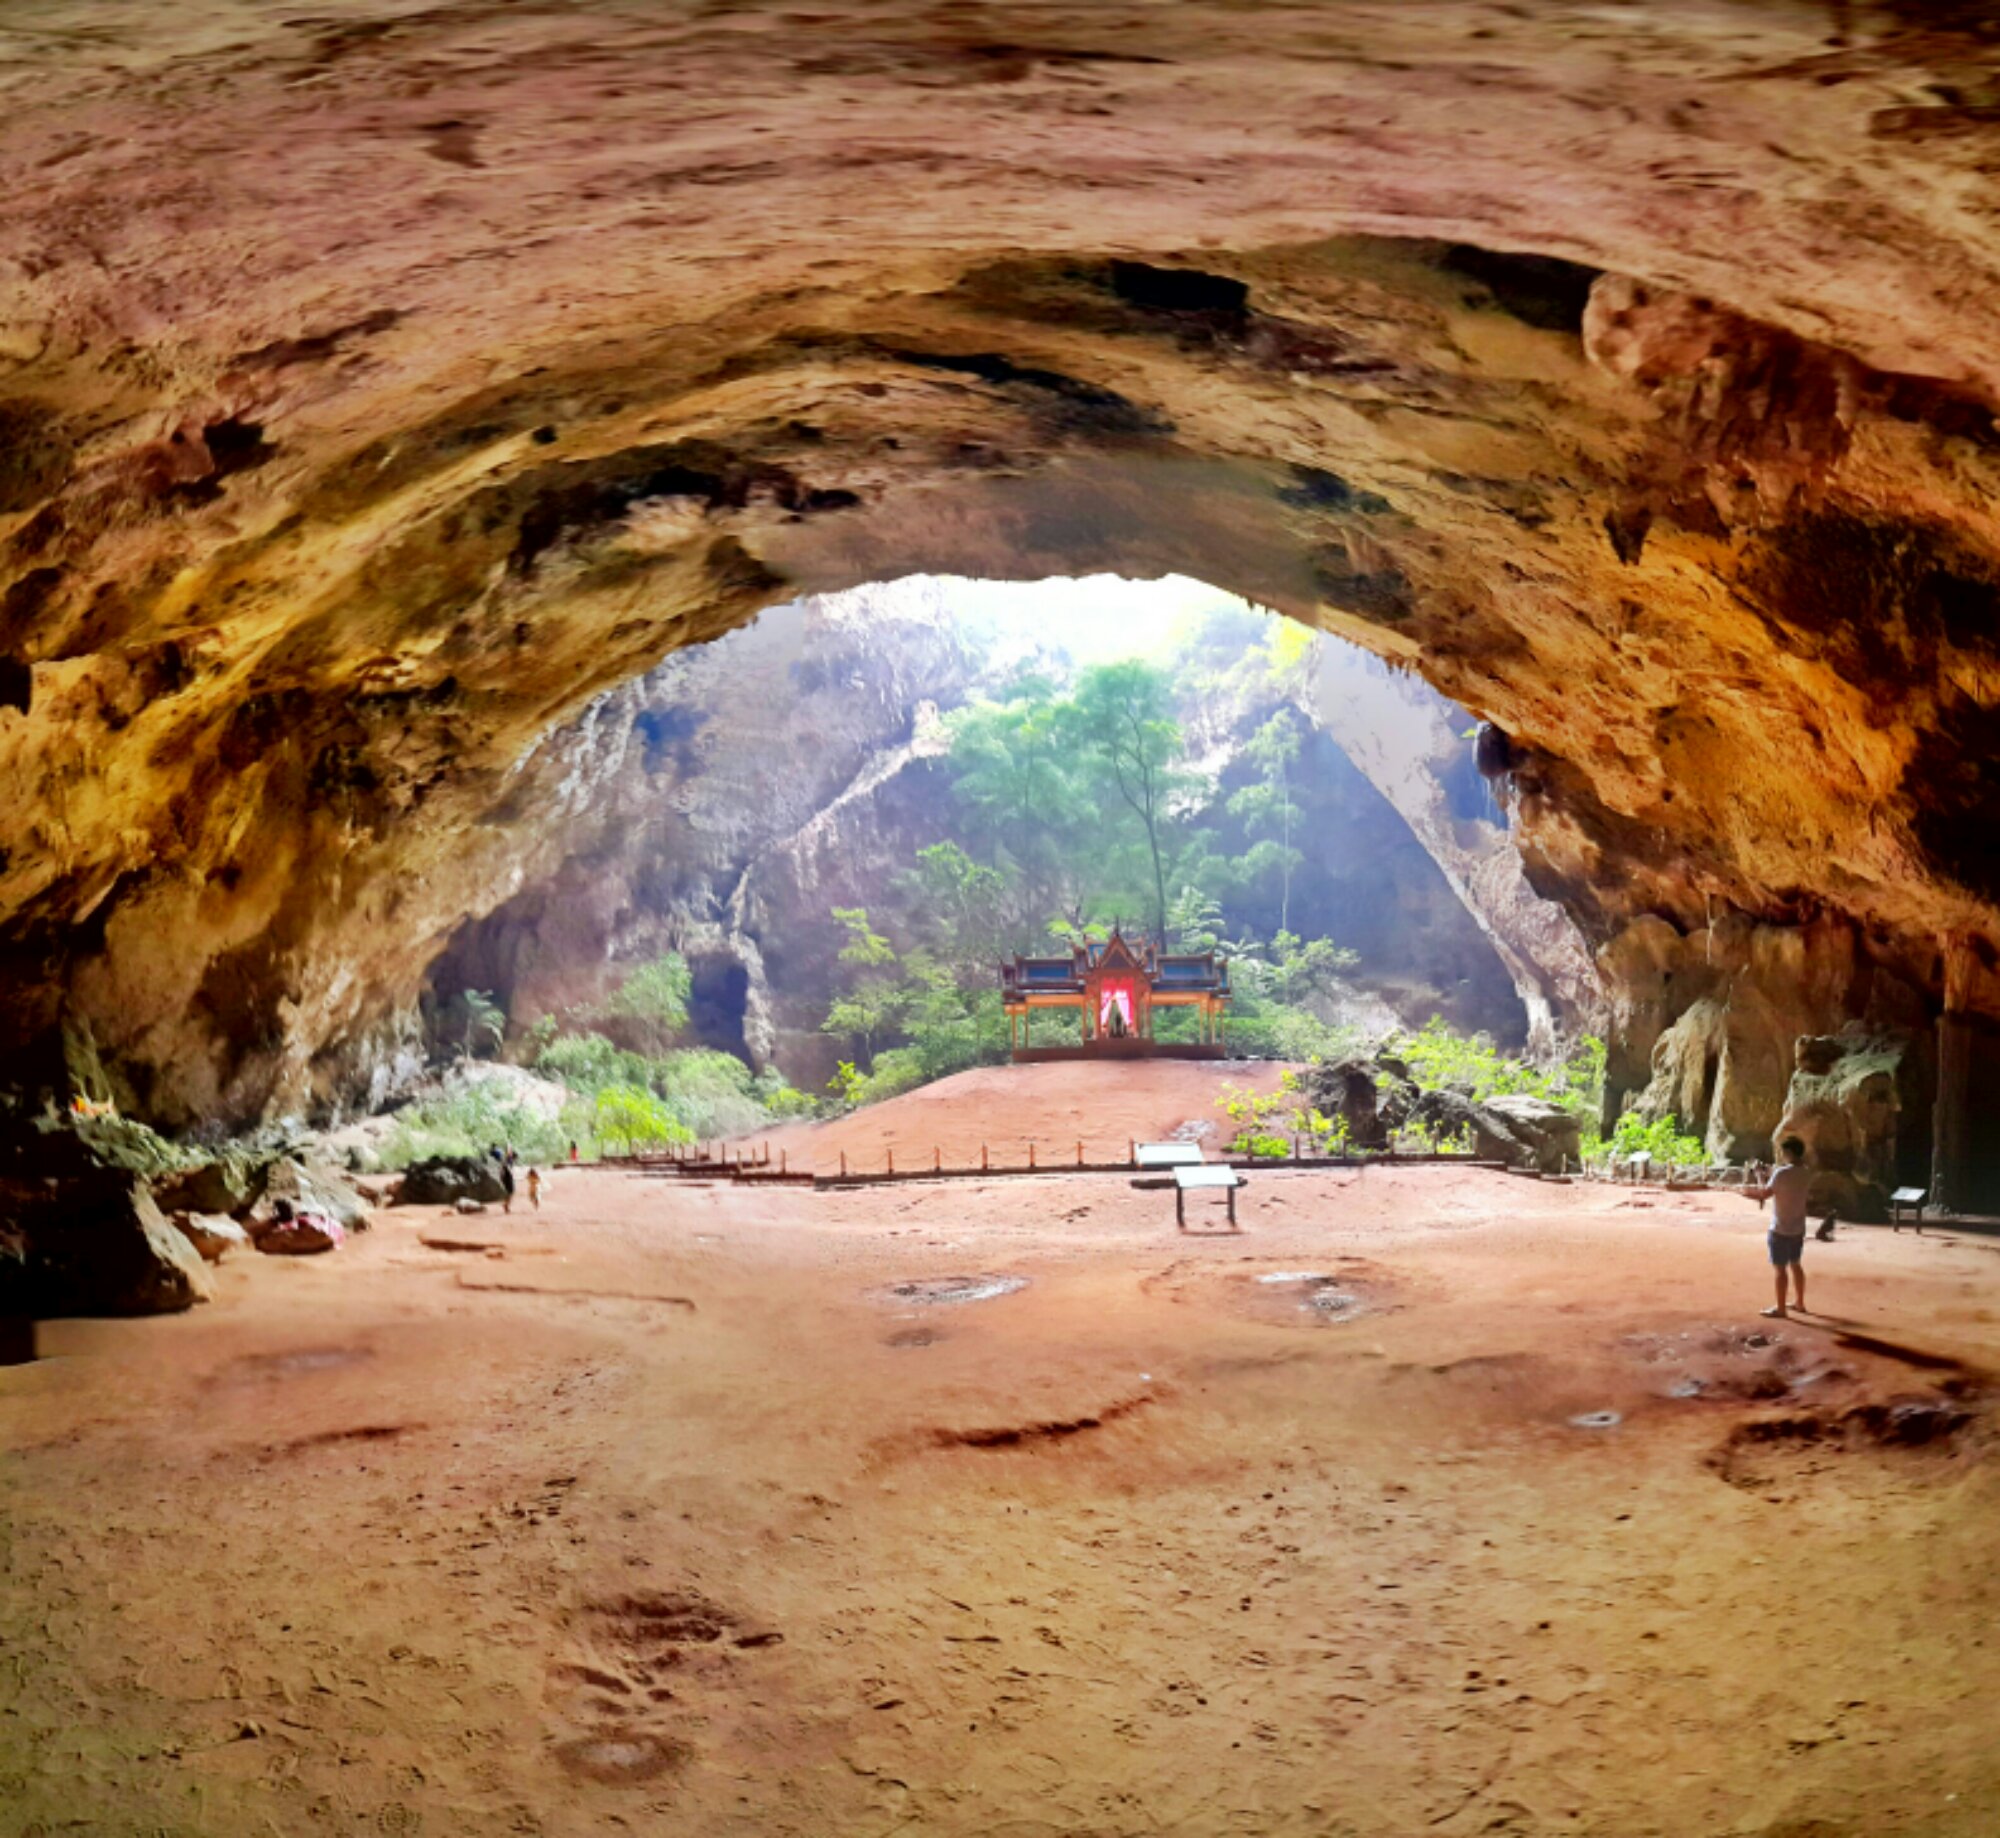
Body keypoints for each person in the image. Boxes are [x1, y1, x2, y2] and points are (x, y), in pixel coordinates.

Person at [1745, 1135, 1812, 1317]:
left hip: (1780, 1227)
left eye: (1783, 1152)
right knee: (1796, 1264)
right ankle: (1799, 1302)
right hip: (1798, 1227)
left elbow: (1764, 1194)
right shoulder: (1806, 1172)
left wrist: (1747, 1189)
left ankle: (1781, 1309)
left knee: (1780, 1268)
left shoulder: (1781, 1173)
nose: (1782, 1155)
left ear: (1789, 1152)